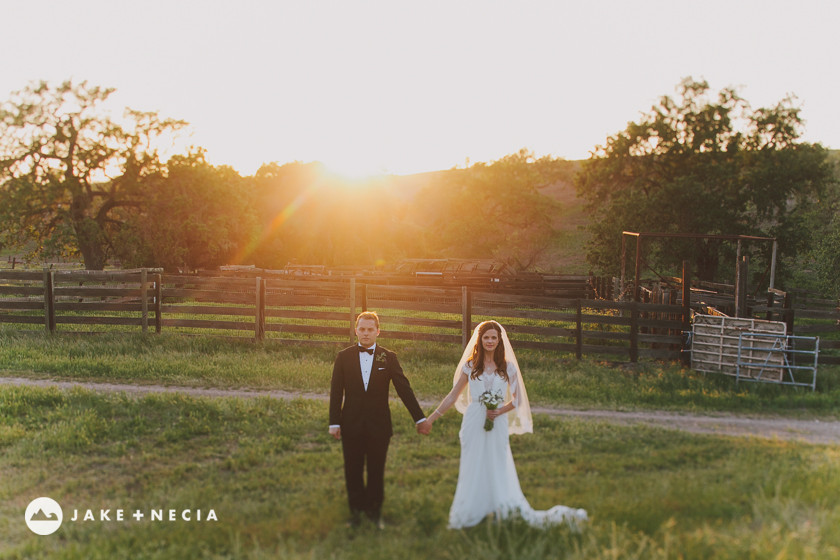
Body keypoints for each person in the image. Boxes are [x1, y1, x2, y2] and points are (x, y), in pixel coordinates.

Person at [426, 320, 587, 529]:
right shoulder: (470, 365)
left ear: (499, 340)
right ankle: (471, 511)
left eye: (494, 337)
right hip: (474, 420)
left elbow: (518, 399)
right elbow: (452, 396)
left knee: (497, 463)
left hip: (498, 421)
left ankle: (500, 509)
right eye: (486, 337)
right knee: (473, 465)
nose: (490, 341)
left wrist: (500, 410)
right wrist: (430, 419)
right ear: (480, 340)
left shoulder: (507, 367)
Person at [329, 311, 431, 529]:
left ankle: (374, 514)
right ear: (356, 330)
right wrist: (334, 422)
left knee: (376, 469)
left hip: (379, 425)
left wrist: (420, 418)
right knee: (353, 469)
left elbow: (404, 389)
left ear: (378, 331)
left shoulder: (388, 357)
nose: (366, 334)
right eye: (362, 329)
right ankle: (355, 514)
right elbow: (336, 392)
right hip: (351, 423)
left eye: (370, 330)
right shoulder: (343, 357)